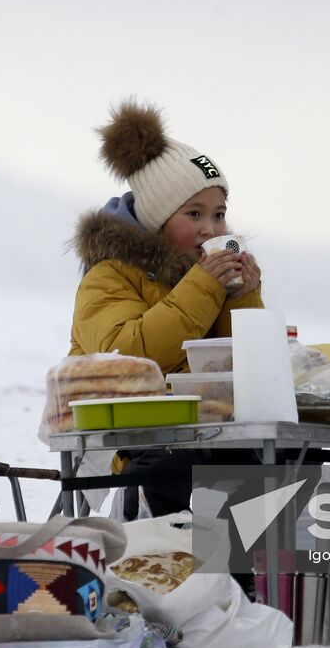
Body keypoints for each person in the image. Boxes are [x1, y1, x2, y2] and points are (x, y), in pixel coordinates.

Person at [69, 99, 263, 519]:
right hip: (123, 438)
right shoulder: (108, 275)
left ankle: (248, 582)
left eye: (219, 214)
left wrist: (242, 295)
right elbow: (128, 358)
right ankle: (168, 572)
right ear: (158, 219)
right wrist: (205, 287)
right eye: (194, 214)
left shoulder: (206, 279)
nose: (211, 229)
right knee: (180, 467)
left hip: (203, 433)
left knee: (275, 460)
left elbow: (241, 369)